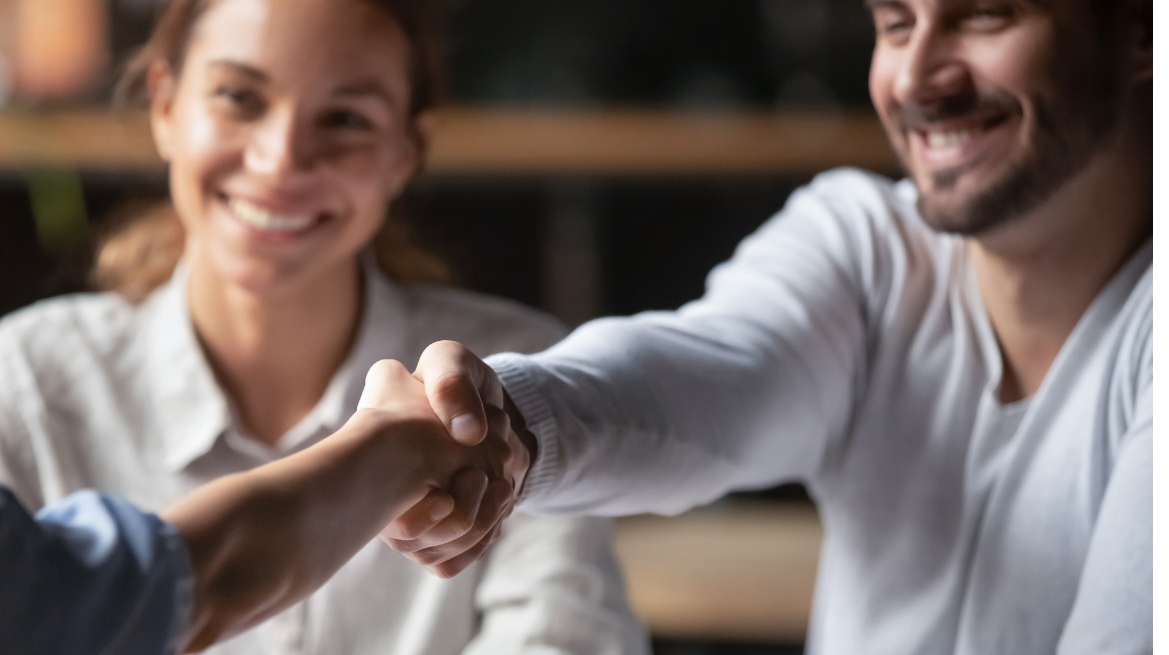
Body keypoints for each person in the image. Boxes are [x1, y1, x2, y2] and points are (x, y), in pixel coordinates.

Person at [376, 0, 1154, 653]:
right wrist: (512, 422)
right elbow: (703, 376)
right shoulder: (866, 245)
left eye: (984, 15)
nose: (917, 78)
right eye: (895, 23)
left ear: (1137, 32)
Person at [0, 0, 646, 653]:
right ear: (166, 106)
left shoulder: (512, 380)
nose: (280, 162)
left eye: (345, 120)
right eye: (239, 97)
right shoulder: (32, 382)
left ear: (406, 150)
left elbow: (566, 638)